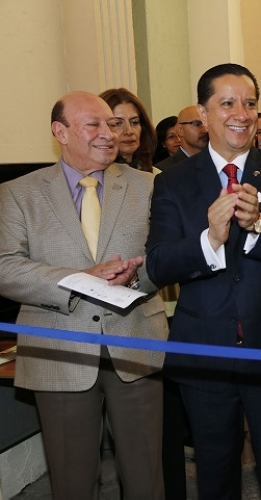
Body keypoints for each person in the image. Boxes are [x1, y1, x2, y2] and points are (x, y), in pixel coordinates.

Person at [146, 63, 261, 500]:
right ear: (204, 114)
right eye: (227, 103)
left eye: (249, 103)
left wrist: (260, 226)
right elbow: (159, 264)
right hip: (205, 349)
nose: (240, 113)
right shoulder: (172, 182)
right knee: (215, 473)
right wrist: (209, 239)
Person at [0, 91, 168, 500]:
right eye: (94, 124)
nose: (109, 133)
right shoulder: (18, 193)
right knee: (72, 481)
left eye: (112, 123)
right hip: (57, 351)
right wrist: (79, 279)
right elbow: (5, 268)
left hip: (135, 344)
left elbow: (168, 255)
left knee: (146, 477)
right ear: (60, 132)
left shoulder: (149, 186)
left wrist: (137, 275)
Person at [99, 88, 156, 172]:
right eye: (117, 123)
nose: (129, 131)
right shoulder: (94, 177)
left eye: (134, 122)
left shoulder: (157, 175)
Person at [156, 105, 209, 171]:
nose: (205, 130)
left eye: (208, 124)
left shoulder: (218, 161)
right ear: (180, 130)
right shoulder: (164, 170)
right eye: (197, 124)